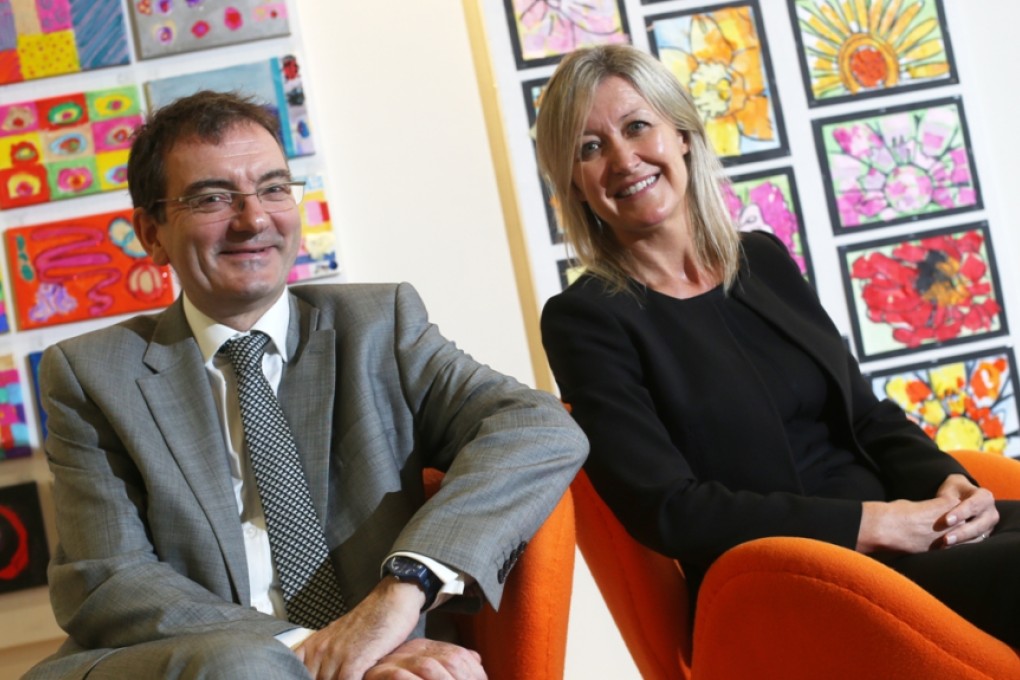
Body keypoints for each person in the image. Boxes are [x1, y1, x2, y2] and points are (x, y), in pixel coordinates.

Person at [25, 91, 587, 680]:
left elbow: (538, 426)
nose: (255, 220)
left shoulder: (381, 327)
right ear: (151, 232)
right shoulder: (91, 375)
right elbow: (109, 579)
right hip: (194, 663)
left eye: (273, 188)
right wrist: (312, 649)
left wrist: (403, 592)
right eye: (214, 198)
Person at [536, 44, 1020, 646]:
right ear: (576, 186)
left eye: (638, 126)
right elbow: (671, 509)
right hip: (786, 582)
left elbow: (867, 416)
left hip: (908, 539)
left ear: (682, 134)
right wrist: (878, 525)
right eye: (590, 147)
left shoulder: (762, 259)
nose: (623, 159)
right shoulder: (584, 320)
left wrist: (950, 487)